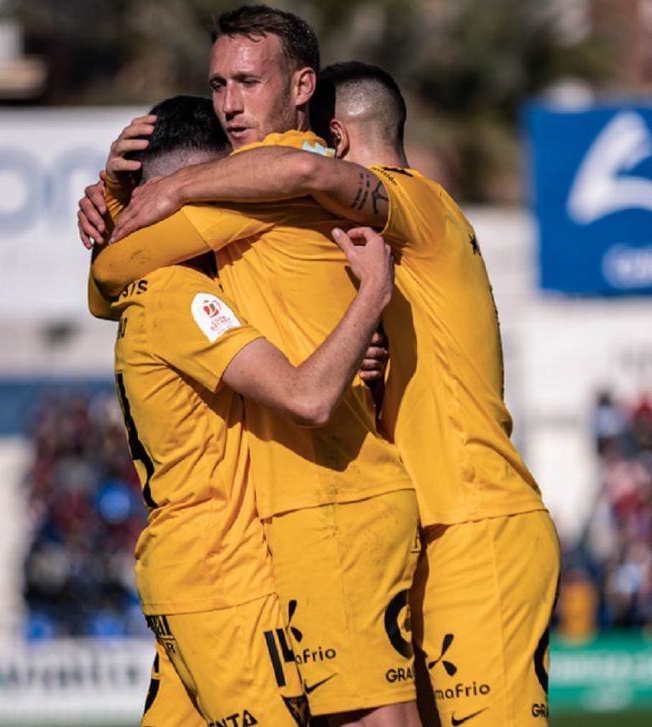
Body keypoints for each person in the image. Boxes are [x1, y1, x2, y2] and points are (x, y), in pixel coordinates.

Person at [86, 60, 560, 727]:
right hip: (318, 545)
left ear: (331, 139)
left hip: (471, 519)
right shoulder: (225, 279)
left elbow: (118, 272)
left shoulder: (407, 200)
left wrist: (161, 194)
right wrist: (116, 201)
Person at [85, 7, 421, 726]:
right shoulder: (203, 269)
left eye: (247, 81)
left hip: (328, 504)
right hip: (243, 546)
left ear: (301, 87)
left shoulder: (258, 189)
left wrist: (142, 200)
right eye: (218, 85)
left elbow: (112, 275)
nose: (231, 103)